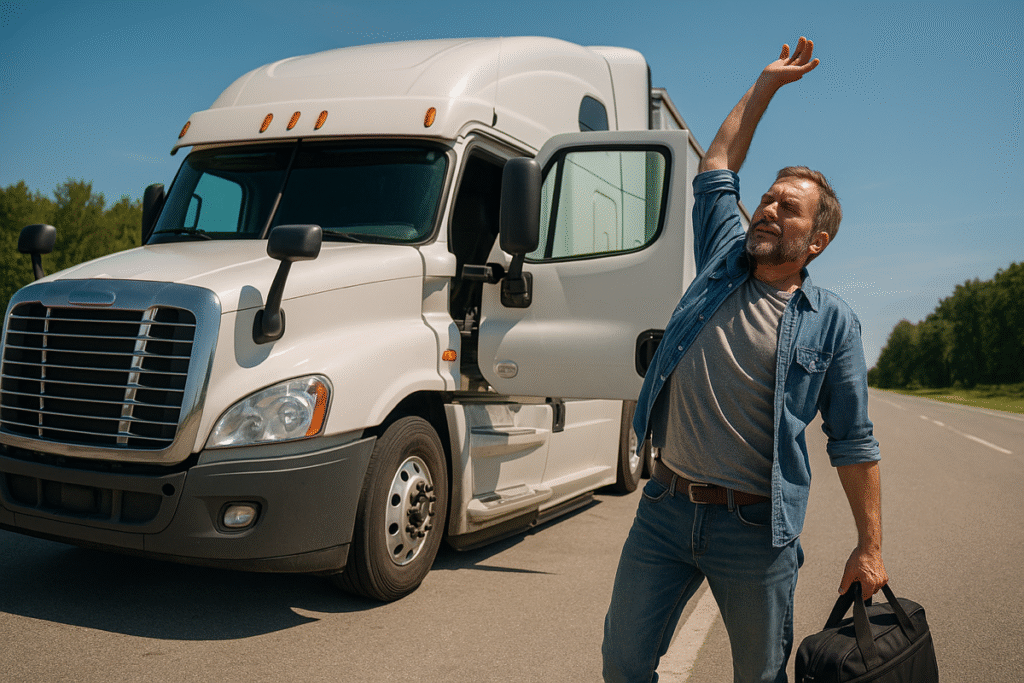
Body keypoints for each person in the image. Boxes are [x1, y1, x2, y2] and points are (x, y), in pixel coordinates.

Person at [602, 37, 887, 683]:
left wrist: (870, 548)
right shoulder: (722, 262)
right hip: (666, 508)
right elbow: (718, 163)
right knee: (622, 664)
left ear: (815, 241)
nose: (767, 207)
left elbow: (854, 441)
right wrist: (764, 88)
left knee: (759, 675)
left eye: (788, 206)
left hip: (755, 529)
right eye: (767, 197)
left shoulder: (832, 321)